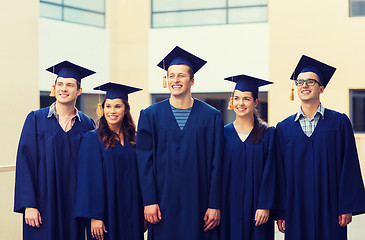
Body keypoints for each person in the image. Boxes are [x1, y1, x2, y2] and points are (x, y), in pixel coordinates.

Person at [136, 46, 224, 240]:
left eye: (181, 76)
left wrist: (214, 203)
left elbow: (218, 164)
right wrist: (149, 201)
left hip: (199, 203)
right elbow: (144, 163)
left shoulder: (211, 117)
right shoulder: (150, 116)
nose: (175, 80)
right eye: (171, 75)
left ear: (192, 80)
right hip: (162, 204)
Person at [276, 55, 365, 240]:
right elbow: (279, 173)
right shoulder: (283, 128)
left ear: (321, 88)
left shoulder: (339, 122)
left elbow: (348, 165)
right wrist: (281, 211)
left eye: (311, 81)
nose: (304, 85)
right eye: (300, 82)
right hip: (296, 207)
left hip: (330, 206)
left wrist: (346, 205)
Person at [14, 61, 96, 240]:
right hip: (42, 204)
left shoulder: (87, 124)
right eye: (60, 84)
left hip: (74, 205)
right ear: (54, 87)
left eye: (69, 85)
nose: (63, 89)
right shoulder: (35, 119)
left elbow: (92, 169)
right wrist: (29, 205)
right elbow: (25, 163)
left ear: (79, 90)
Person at [74, 82, 144, 240]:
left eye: (117, 106)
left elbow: (143, 177)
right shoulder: (92, 139)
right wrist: (94, 216)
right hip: (106, 214)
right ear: (103, 109)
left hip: (132, 213)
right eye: (108, 106)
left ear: (126, 109)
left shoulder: (135, 139)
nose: (112, 111)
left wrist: (143, 211)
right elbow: (87, 180)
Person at [220, 74, 284, 240]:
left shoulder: (268, 134)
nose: (241, 103)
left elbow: (273, 173)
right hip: (228, 207)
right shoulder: (222, 134)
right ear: (232, 101)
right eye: (237, 98)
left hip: (258, 209)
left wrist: (265, 205)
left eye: (246, 99)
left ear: (255, 102)